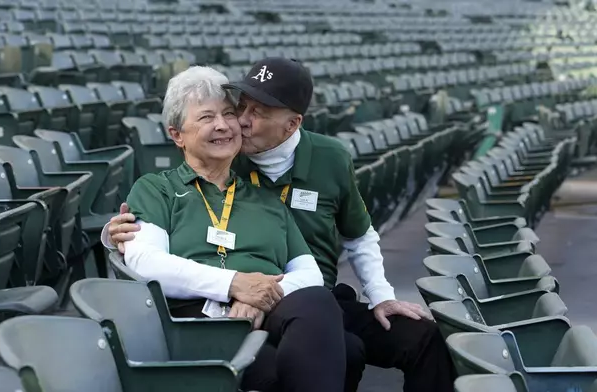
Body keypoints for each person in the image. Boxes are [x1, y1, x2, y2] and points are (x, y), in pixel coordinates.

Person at [104, 58, 457, 392]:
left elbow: (358, 236)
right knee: (343, 350)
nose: (238, 122)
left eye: (256, 113)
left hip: (303, 297)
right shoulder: (220, 156)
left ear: (292, 125)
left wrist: (381, 296)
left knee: (422, 335)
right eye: (241, 106)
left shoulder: (327, 160)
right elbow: (146, 241)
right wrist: (113, 233)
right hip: (221, 305)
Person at [119, 65, 350, 392]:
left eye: (229, 114)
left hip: (264, 315)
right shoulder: (157, 189)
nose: (223, 125)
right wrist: (233, 285)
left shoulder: (264, 196)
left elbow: (309, 273)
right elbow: (147, 263)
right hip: (196, 322)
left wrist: (257, 299)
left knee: (318, 303)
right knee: (281, 368)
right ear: (176, 135)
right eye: (205, 118)